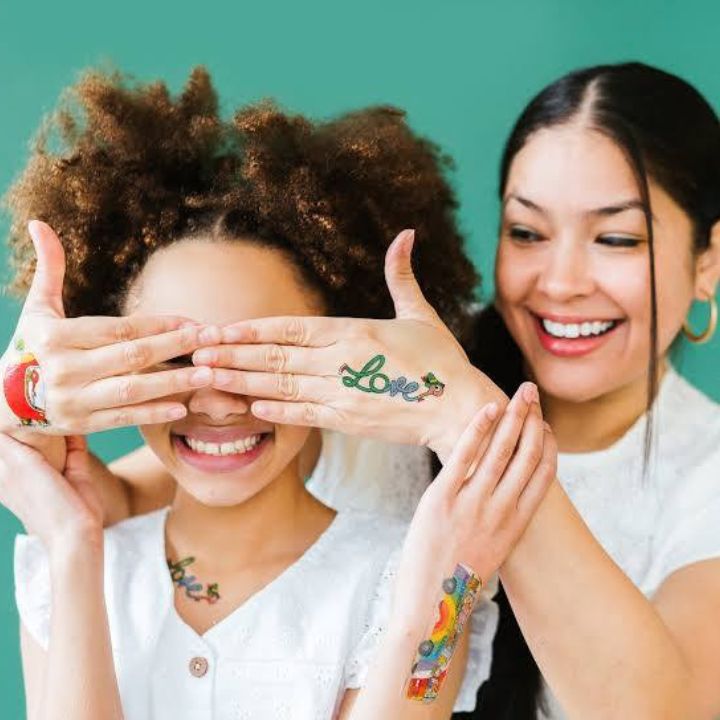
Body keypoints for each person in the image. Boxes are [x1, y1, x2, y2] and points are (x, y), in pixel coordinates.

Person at [77, 62, 717, 719]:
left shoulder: (704, 477)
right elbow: (114, 499)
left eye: (616, 238)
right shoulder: (389, 374)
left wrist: (468, 419)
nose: (560, 283)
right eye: (527, 232)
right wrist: (30, 400)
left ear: (709, 261)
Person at [1, 67, 555, 719]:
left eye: (259, 357)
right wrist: (73, 546)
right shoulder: (63, 566)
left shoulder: (423, 579)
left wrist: (431, 598)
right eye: (177, 358)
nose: (217, 401)